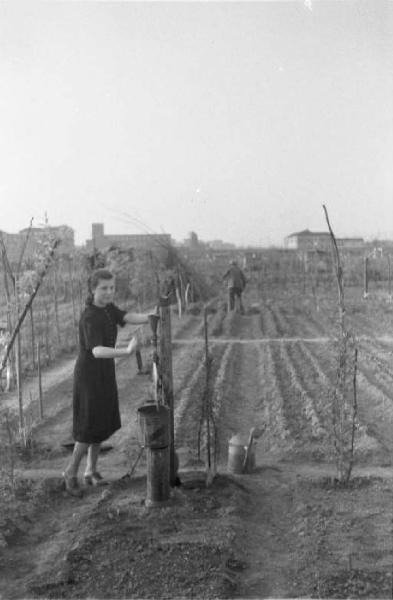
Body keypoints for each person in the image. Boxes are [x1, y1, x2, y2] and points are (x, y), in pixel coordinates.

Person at [63, 268, 153, 496]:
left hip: (103, 373)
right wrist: (126, 352)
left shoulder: (107, 309)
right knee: (87, 427)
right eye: (103, 288)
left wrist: (151, 316)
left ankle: (90, 471)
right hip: (89, 376)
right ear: (92, 289)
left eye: (111, 287)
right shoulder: (90, 316)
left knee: (100, 423)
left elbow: (126, 317)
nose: (108, 292)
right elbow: (97, 351)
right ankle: (70, 472)